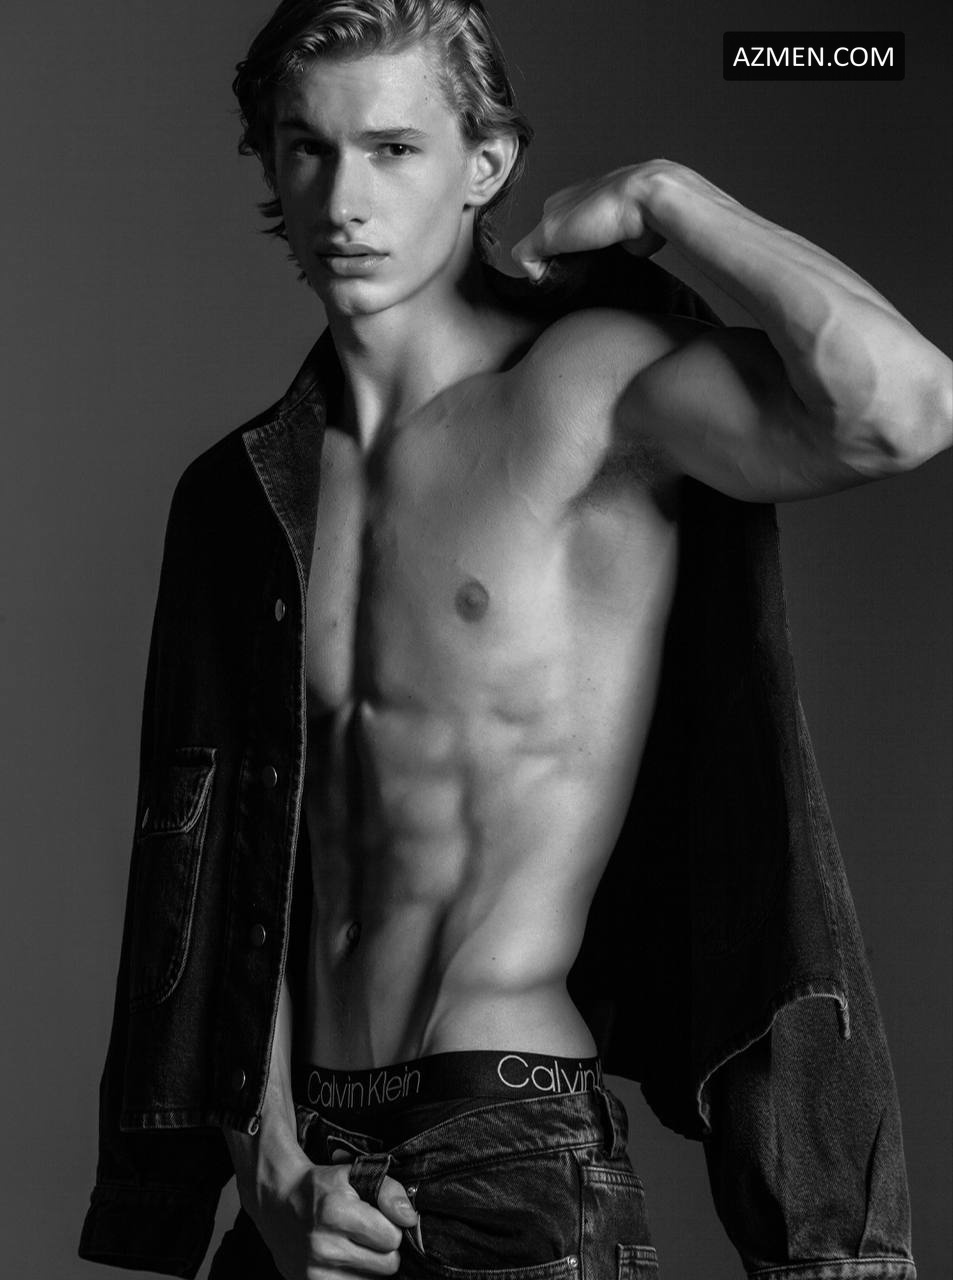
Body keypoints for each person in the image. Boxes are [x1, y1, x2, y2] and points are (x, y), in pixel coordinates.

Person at [79, 2, 951, 1278]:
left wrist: (671, 198)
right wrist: (263, 1157)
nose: (343, 200)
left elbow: (902, 409)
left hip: (507, 1143)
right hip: (302, 1170)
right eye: (307, 148)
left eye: (393, 149)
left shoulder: (585, 393)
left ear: (483, 164)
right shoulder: (240, 499)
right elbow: (221, 879)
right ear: (268, 159)